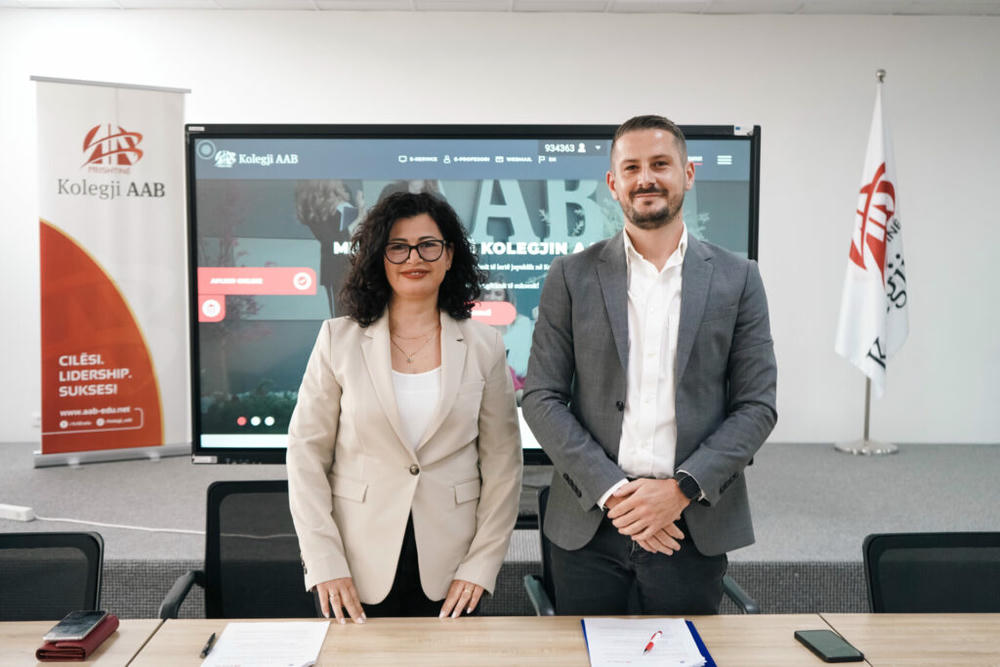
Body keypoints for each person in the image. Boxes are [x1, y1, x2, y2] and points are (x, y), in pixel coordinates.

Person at [521, 115, 777, 615]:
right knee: (585, 651)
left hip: (689, 524)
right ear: (613, 182)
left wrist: (680, 491)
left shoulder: (739, 278)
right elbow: (541, 398)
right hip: (590, 523)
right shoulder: (571, 276)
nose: (646, 179)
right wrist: (615, 493)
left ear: (688, 173)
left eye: (660, 164)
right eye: (631, 168)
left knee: (685, 649)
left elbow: (757, 407)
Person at [287, 191, 522, 623]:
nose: (414, 258)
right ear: (380, 257)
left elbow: (503, 467)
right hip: (353, 567)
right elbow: (305, 457)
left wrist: (480, 566)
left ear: (449, 255)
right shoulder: (338, 340)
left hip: (452, 570)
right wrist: (324, 562)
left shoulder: (484, 345)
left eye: (428, 245)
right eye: (398, 246)